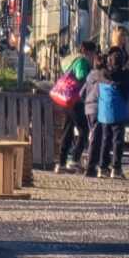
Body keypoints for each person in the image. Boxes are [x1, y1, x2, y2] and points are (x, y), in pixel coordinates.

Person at [87, 47, 129, 179]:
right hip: (119, 113)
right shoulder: (124, 77)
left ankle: (102, 168)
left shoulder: (102, 75)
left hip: (104, 114)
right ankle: (116, 168)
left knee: (105, 140)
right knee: (117, 141)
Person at [57, 41, 98, 172]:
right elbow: (81, 77)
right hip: (76, 101)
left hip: (67, 100)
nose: (93, 56)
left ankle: (61, 163)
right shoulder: (82, 61)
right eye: (93, 53)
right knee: (84, 130)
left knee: (67, 131)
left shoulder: (71, 60)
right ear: (88, 52)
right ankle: (74, 160)